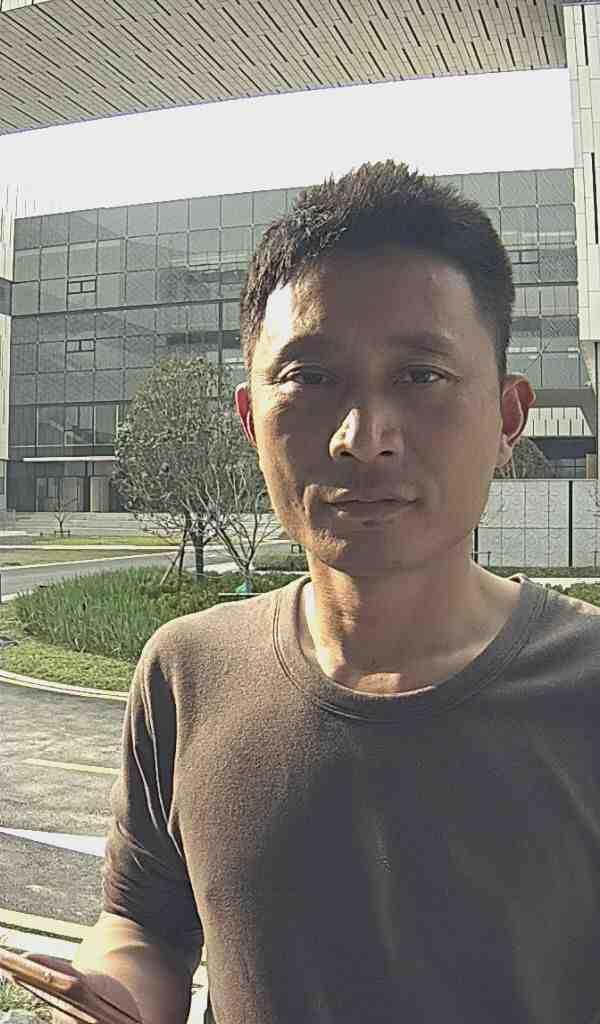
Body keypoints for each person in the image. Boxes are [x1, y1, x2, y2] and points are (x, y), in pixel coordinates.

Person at [30, 160, 600, 1024]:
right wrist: (121, 989)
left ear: (508, 417)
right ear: (251, 419)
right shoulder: (187, 672)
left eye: (421, 375)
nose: (362, 439)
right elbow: (143, 922)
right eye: (310, 378)